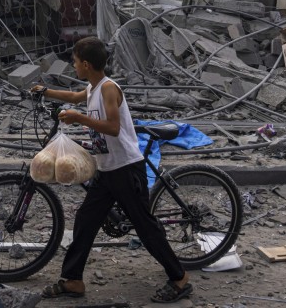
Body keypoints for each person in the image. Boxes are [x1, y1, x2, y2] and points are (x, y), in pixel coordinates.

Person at [30, 37, 193, 303]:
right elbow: (73, 96)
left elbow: (113, 126)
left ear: (85, 63)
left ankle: (180, 279)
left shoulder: (108, 88)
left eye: (74, 62)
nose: (73, 67)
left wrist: (78, 117)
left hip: (126, 169)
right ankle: (73, 280)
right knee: (86, 219)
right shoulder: (93, 88)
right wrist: (44, 91)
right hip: (107, 171)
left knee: (145, 227)